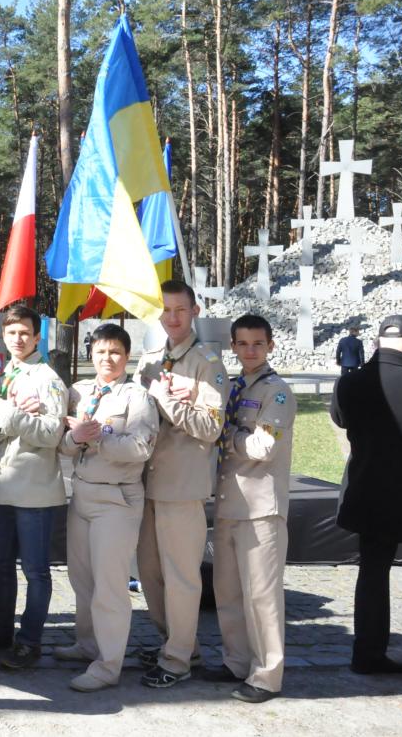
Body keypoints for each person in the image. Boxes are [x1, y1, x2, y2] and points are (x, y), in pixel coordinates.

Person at [54, 323, 159, 692]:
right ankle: (88, 644)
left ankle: (108, 664)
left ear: (127, 357)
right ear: (90, 355)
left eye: (115, 352)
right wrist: (74, 436)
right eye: (100, 351)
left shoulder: (137, 398)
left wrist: (100, 436)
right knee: (82, 579)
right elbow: (63, 446)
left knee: (110, 586)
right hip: (81, 494)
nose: (107, 358)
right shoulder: (79, 392)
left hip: (117, 499)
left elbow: (141, 449)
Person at [133, 279, 228, 687]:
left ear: (195, 313)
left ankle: (178, 660)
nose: (172, 318)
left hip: (182, 484)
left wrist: (168, 402)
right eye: (167, 311)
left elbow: (210, 427)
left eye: (180, 310)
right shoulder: (149, 361)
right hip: (144, 480)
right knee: (149, 573)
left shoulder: (207, 363)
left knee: (181, 575)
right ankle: (174, 642)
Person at [205, 313, 295, 703]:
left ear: (271, 345)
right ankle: (237, 661)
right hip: (229, 503)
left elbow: (263, 447)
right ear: (233, 347)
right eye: (242, 344)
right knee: (227, 591)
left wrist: (229, 435)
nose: (250, 350)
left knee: (261, 596)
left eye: (258, 343)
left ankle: (266, 674)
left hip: (260, 508)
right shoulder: (234, 387)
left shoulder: (277, 392)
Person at [0, 305, 67, 670]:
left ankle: (30, 641)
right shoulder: (7, 375)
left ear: (36, 337)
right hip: (7, 484)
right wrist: (12, 417)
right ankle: (0, 628)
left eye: (24, 333)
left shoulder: (47, 378)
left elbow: (52, 434)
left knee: (35, 570)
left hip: (36, 490)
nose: (18, 339)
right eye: (12, 332)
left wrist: (16, 417)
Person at [332, 314, 402, 675]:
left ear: (379, 342)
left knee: (373, 573)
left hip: (370, 490)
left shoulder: (350, 383)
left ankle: (367, 653)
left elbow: (341, 420)